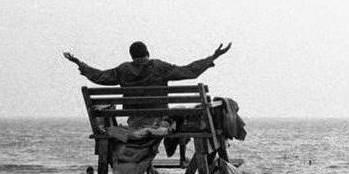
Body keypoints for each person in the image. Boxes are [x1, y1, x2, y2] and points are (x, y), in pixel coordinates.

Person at [63, 41, 231, 127]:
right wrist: (213, 57)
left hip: (134, 119)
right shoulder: (158, 66)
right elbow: (189, 71)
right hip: (158, 118)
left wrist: (79, 62)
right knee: (184, 114)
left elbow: (100, 77)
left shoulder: (123, 69)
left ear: (131, 56)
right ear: (148, 53)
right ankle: (182, 157)